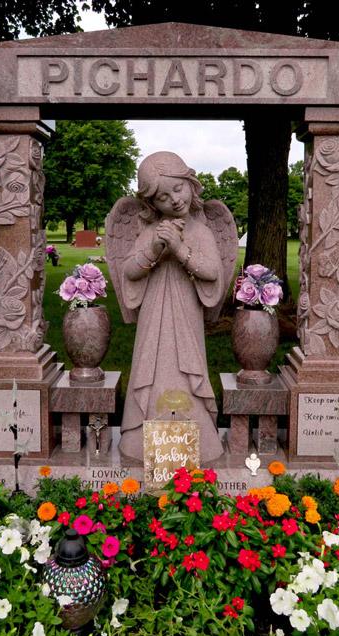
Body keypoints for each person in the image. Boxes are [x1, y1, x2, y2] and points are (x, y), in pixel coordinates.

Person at [116, 152, 229, 463]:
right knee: (150, 368)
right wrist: (154, 249)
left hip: (186, 313)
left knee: (187, 366)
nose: (175, 200)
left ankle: (198, 436)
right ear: (153, 205)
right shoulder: (150, 232)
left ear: (190, 184)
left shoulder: (202, 232)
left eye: (178, 190)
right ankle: (141, 437)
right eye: (163, 197)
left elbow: (212, 273)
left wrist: (179, 250)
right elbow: (129, 271)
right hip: (154, 313)